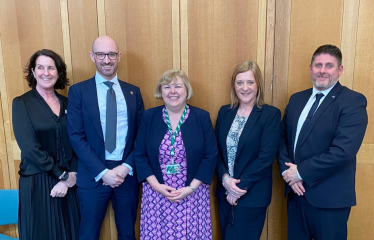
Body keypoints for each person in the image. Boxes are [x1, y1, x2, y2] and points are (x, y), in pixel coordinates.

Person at [278, 44, 368, 240]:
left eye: (329, 66)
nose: (322, 71)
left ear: (340, 70)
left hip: (330, 199)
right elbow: (281, 137)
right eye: (318, 65)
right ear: (311, 68)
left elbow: (343, 151)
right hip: (296, 195)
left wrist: (300, 172)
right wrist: (287, 173)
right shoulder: (296, 99)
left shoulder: (353, 101)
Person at [67, 36, 144, 240]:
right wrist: (102, 172)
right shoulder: (78, 92)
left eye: (111, 54)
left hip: (125, 176)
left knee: (128, 233)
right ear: (92, 56)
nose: (106, 60)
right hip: (93, 175)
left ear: (118, 57)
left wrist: (126, 166)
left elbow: (141, 136)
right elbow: (76, 136)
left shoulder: (133, 92)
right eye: (101, 54)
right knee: (88, 234)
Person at [134, 69, 217, 239]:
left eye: (178, 86)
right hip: (157, 193)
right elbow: (139, 155)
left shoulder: (201, 117)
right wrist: (158, 187)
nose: (172, 91)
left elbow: (210, 156)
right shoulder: (149, 117)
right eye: (167, 87)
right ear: (160, 91)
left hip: (192, 193)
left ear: (186, 90)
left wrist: (190, 188)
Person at [12, 49, 79, 240]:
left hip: (69, 183)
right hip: (38, 182)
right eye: (40, 67)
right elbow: (29, 148)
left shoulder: (69, 103)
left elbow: (78, 140)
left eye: (51, 67)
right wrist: (62, 175)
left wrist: (71, 175)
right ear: (33, 72)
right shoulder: (22, 103)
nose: (46, 73)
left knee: (69, 233)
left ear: (58, 72)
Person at [215, 61, 280, 240]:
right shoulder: (225, 112)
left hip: (251, 196)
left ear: (258, 84)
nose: (245, 88)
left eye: (250, 82)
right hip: (224, 193)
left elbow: (265, 158)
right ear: (234, 86)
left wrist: (238, 189)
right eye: (240, 82)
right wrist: (225, 179)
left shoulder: (270, 114)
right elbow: (216, 152)